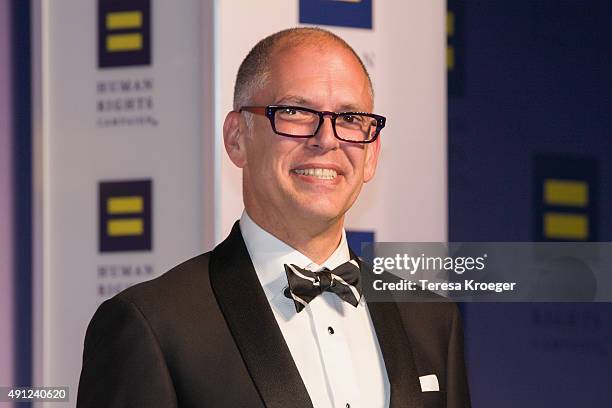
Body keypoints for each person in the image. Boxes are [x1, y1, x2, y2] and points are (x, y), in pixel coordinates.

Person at [77, 27, 471, 408]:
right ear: (237, 138)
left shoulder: (431, 319)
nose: (327, 139)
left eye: (350, 119)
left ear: (372, 154)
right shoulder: (155, 325)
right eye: (296, 112)